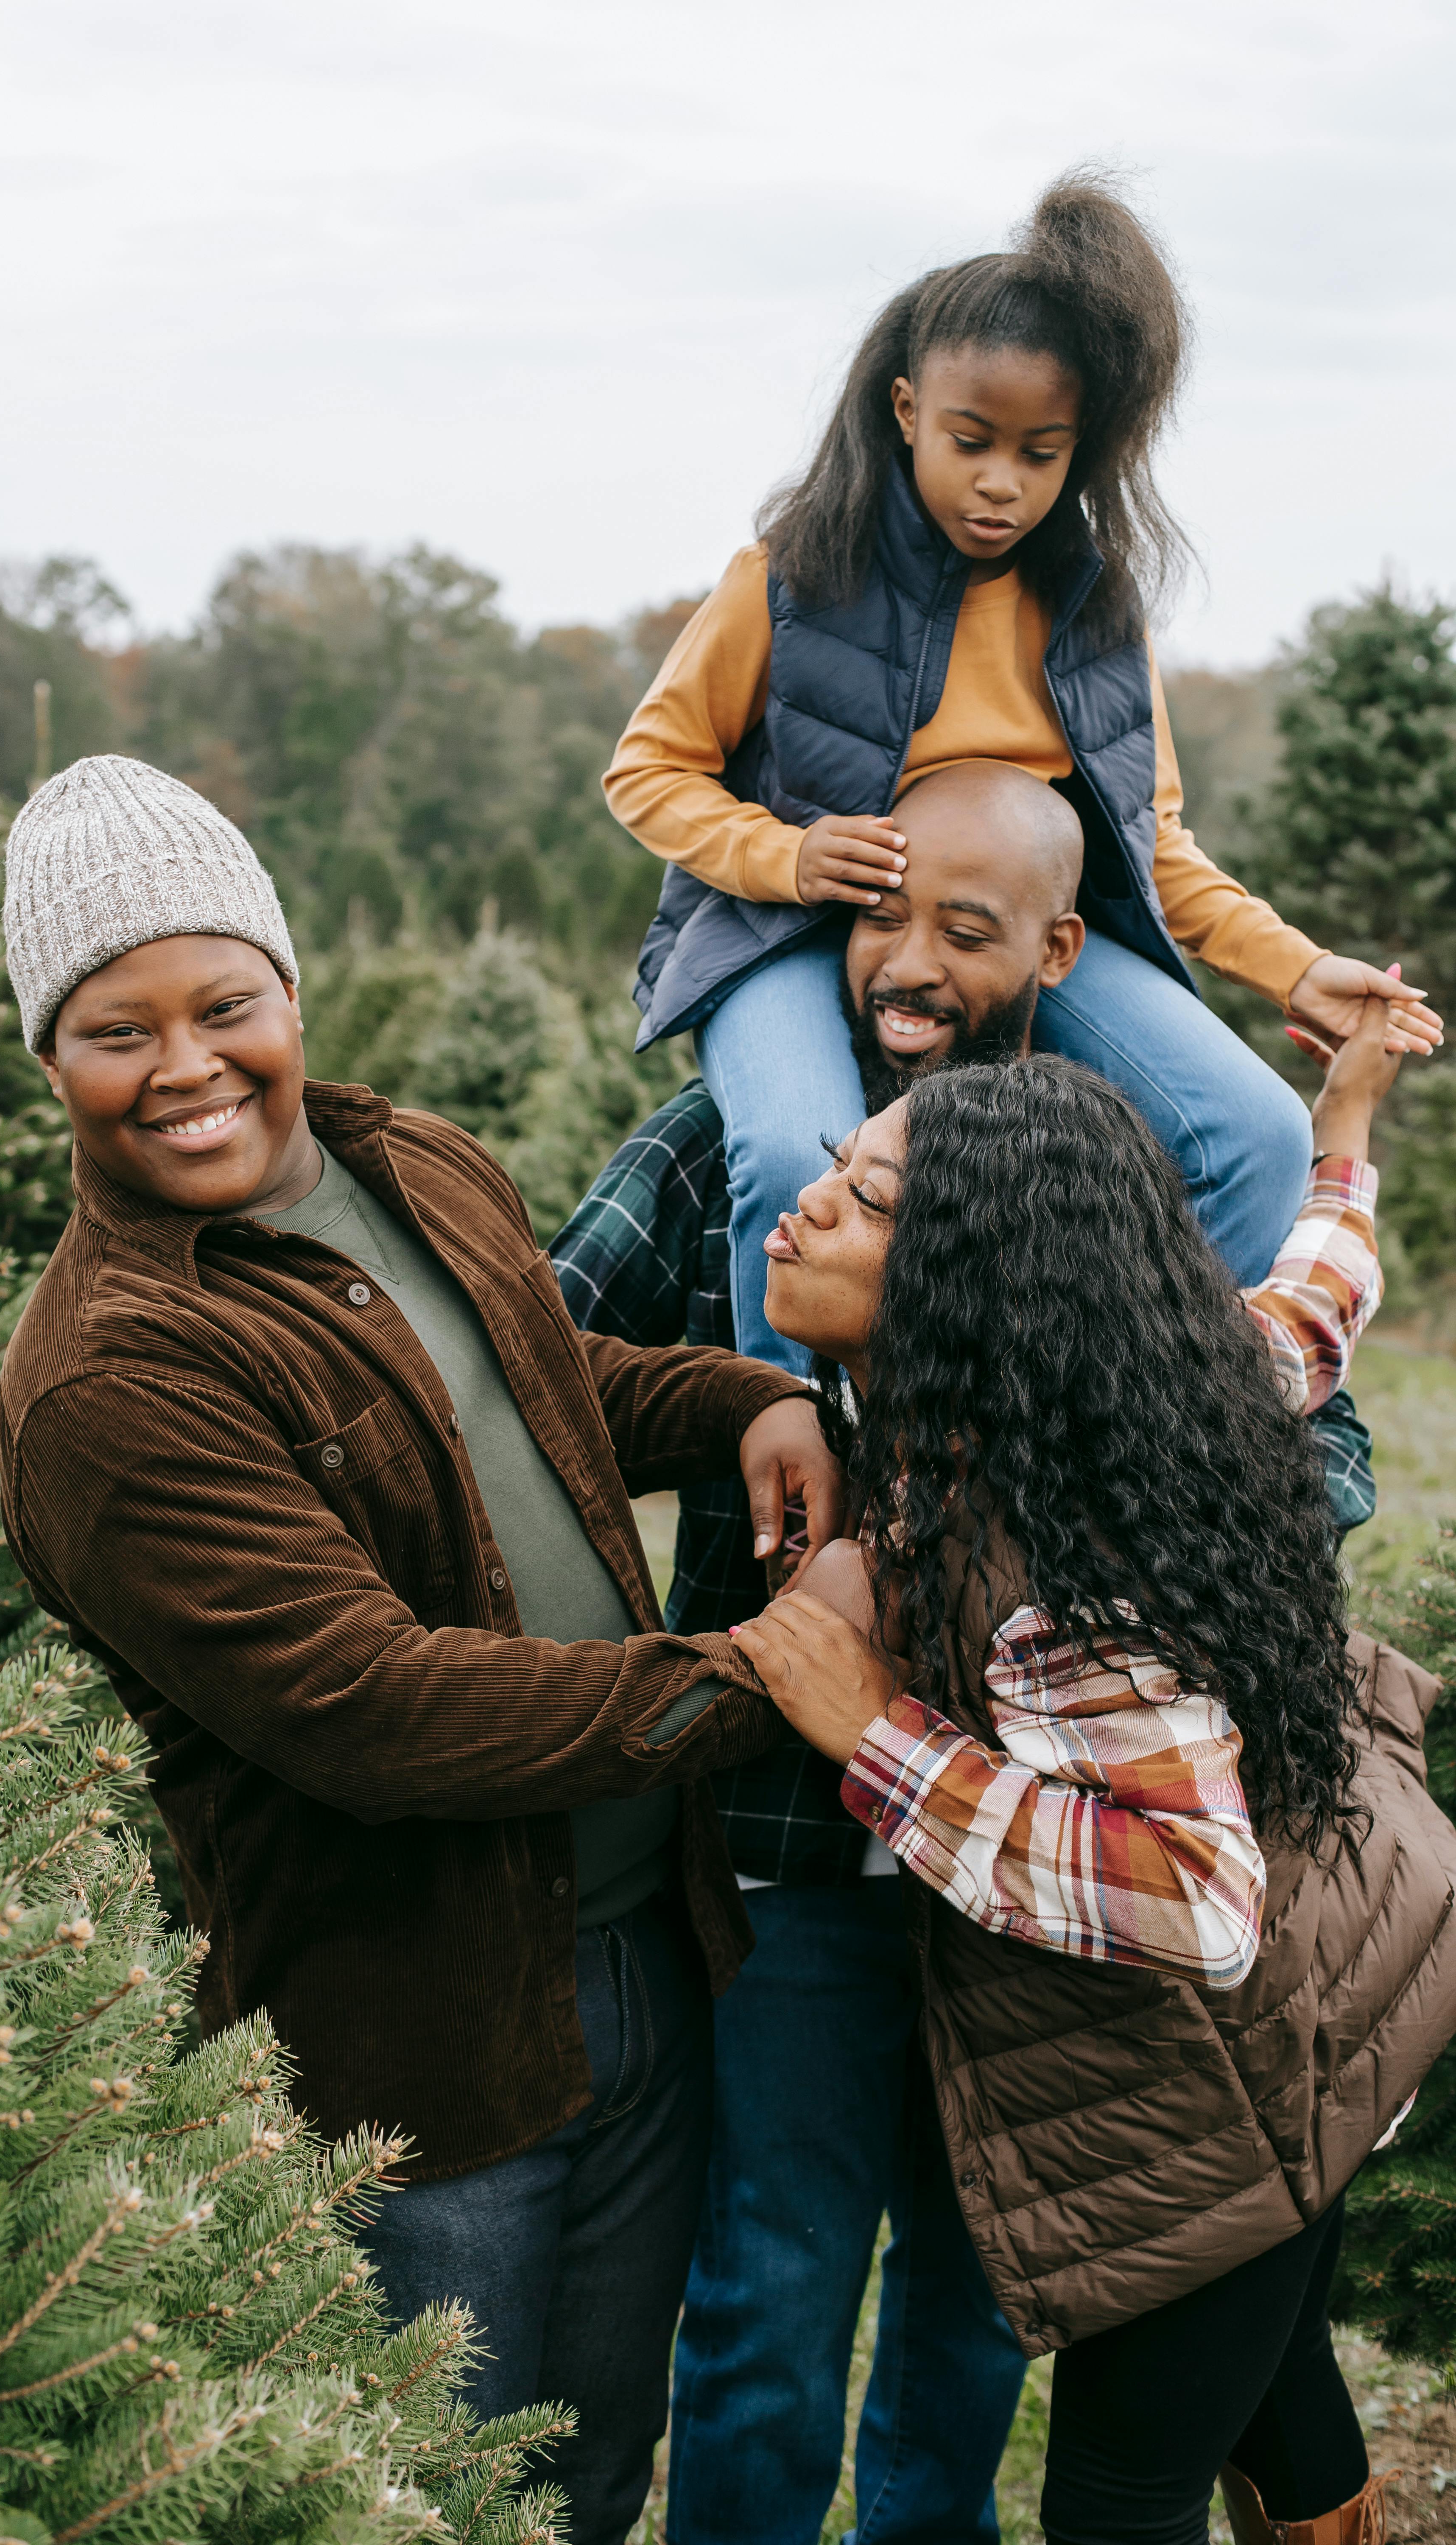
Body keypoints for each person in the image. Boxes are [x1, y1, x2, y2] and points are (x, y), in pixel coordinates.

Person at [0, 754, 851, 2545]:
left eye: (223, 1004)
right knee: (423, 2509)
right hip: (417, 2055)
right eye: (113, 1030)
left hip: (639, 1956)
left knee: (593, 2475)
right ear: (46, 1056)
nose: (188, 1068)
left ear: (289, 991)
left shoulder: (414, 1164)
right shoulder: (109, 1377)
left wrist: (749, 1402)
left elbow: (545, 1386)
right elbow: (370, 1712)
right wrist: (771, 1674)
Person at [551, 758, 1372, 2545]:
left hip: (1029, 1869)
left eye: (966, 929)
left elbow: (1287, 1388)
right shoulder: (732, 1152)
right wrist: (747, 1401)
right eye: (877, 911)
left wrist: (1139, 1535)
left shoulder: (1073, 1170)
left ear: (1055, 951)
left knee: (978, 2289)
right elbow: (540, 1373)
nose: (907, 963)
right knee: (767, 2291)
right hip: (788, 1848)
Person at [731, 1005, 1456, 2545]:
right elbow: (1314, 1309)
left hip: (1249, 2070)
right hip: (1353, 1995)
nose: (806, 1210)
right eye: (833, 1172)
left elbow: (1199, 1901)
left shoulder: (1057, 1576)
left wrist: (876, 1732)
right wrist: (1344, 1130)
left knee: (1120, 2497)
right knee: (1274, 2390)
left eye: (864, 1204)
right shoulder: (1146, 1392)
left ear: (967, 1294)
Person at [604, 171, 1442, 1374]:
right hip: (784, 931)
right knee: (796, 1151)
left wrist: (1299, 971)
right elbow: (650, 771)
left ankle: (1155, 1448)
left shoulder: (1096, 613)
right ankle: (782, 1462)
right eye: (972, 443)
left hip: (1012, 931)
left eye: (1040, 455)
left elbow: (1150, 847)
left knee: (1255, 1131)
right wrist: (786, 857)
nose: (1002, 482)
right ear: (905, 410)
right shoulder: (789, 577)